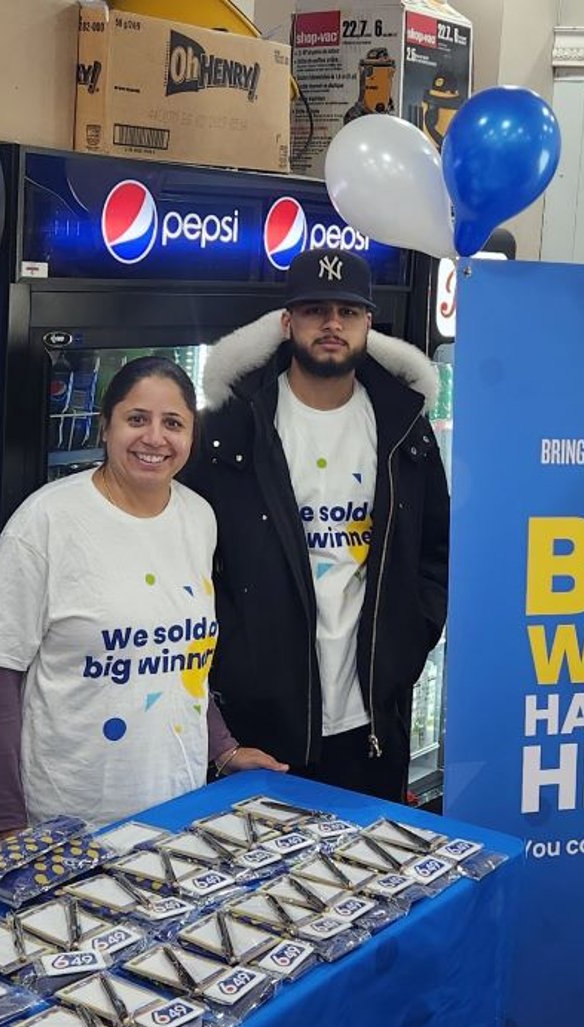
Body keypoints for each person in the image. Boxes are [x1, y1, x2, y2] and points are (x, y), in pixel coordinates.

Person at [0, 356, 283, 839]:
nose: (155, 438)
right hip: (65, 822)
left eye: (172, 423)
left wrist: (224, 748)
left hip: (178, 809)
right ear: (105, 426)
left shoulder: (199, 518)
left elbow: (183, 661)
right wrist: (2, 826)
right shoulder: (46, 521)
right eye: (137, 419)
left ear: (192, 435)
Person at [180, 249, 449, 801]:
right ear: (287, 322)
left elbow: (436, 551)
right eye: (314, 310)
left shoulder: (405, 429)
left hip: (372, 718)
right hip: (261, 724)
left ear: (367, 324)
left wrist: (408, 643)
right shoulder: (231, 430)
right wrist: (236, 664)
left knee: (373, 882)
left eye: (347, 312)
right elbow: (194, 559)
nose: (332, 324)